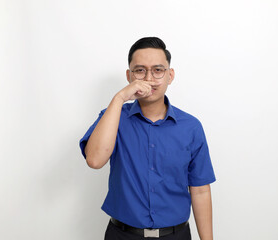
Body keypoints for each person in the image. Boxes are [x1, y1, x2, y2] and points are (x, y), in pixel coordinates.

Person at [79, 37, 216, 240]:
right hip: (122, 235)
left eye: (158, 70)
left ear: (170, 75)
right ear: (129, 75)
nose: (149, 78)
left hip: (176, 235)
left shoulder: (191, 127)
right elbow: (95, 160)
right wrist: (119, 98)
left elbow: (200, 191)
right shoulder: (113, 117)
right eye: (140, 70)